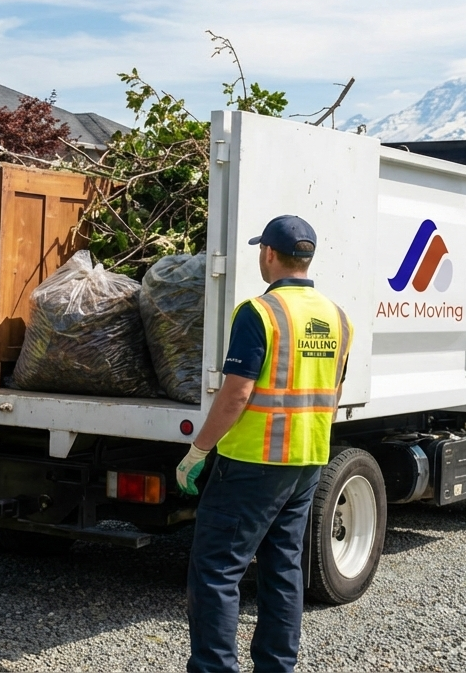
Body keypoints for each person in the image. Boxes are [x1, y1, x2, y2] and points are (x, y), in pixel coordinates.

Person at [175, 214, 353, 673]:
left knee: (216, 572)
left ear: (269, 254)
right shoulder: (338, 317)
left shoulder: (259, 312)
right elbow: (333, 390)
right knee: (283, 571)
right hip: (307, 462)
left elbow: (237, 393)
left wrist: (198, 452)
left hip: (252, 462)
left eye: (260, 250)